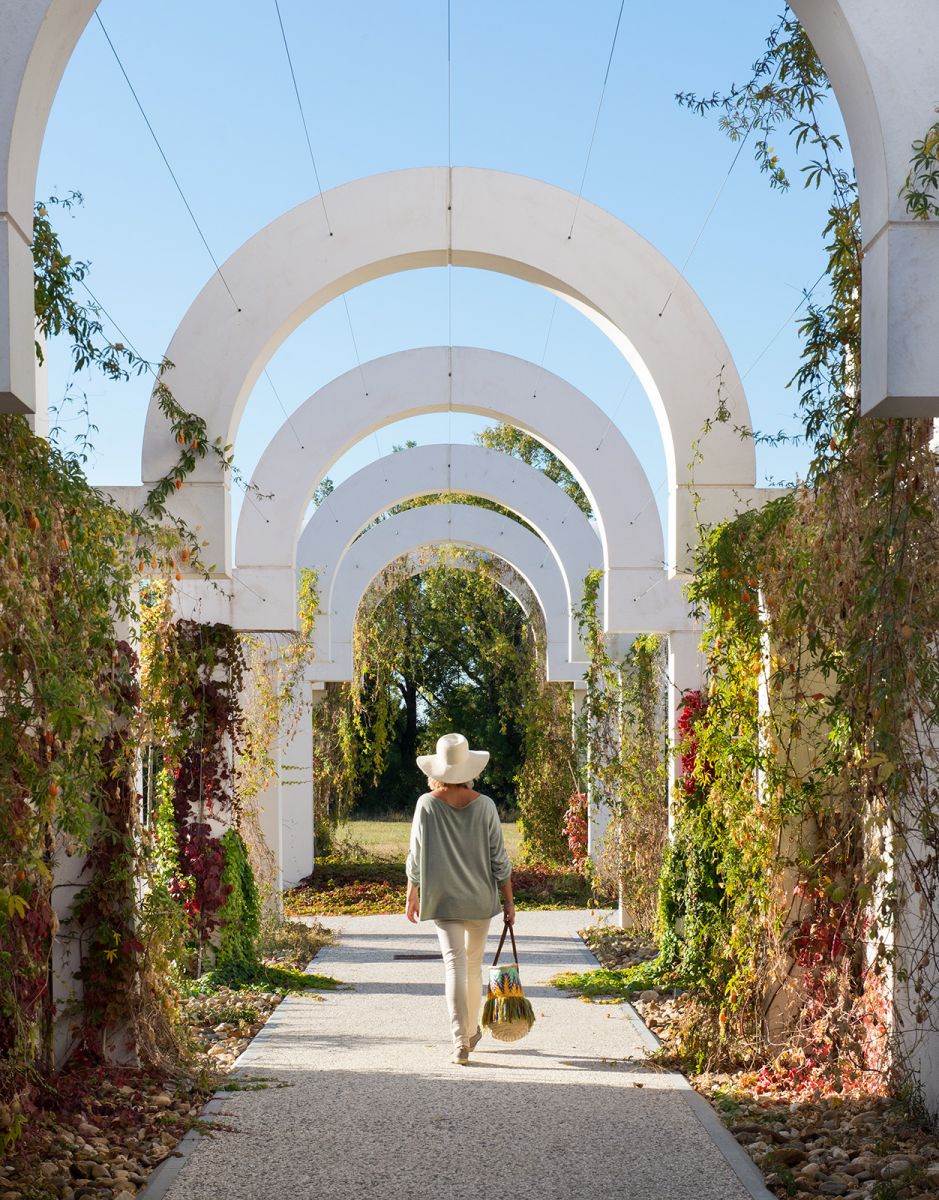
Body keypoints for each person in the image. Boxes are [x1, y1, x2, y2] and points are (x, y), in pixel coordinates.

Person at [405, 732, 515, 1066]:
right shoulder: (486, 806)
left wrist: (412, 892)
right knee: (472, 965)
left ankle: (460, 1042)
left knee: (454, 966)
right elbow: (499, 859)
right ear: (469, 769)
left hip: (443, 899)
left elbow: (416, 855)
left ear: (438, 769)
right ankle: (470, 1031)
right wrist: (509, 902)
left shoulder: (426, 805)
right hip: (480, 899)